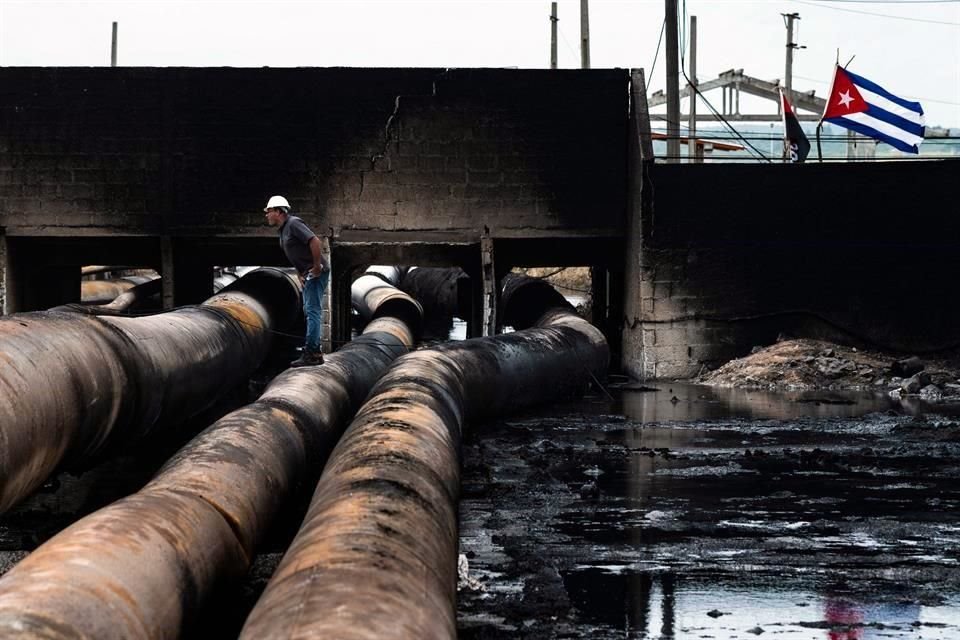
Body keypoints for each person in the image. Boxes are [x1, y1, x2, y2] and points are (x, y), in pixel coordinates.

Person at [263, 195, 330, 367]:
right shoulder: (284, 229)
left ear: (279, 211)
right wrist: (300, 272)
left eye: (269, 211)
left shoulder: (293, 223)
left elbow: (314, 241)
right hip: (307, 273)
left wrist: (316, 266)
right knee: (309, 310)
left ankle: (313, 353)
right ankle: (313, 351)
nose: (266, 215)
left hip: (315, 272)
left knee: (313, 311)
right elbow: (297, 254)